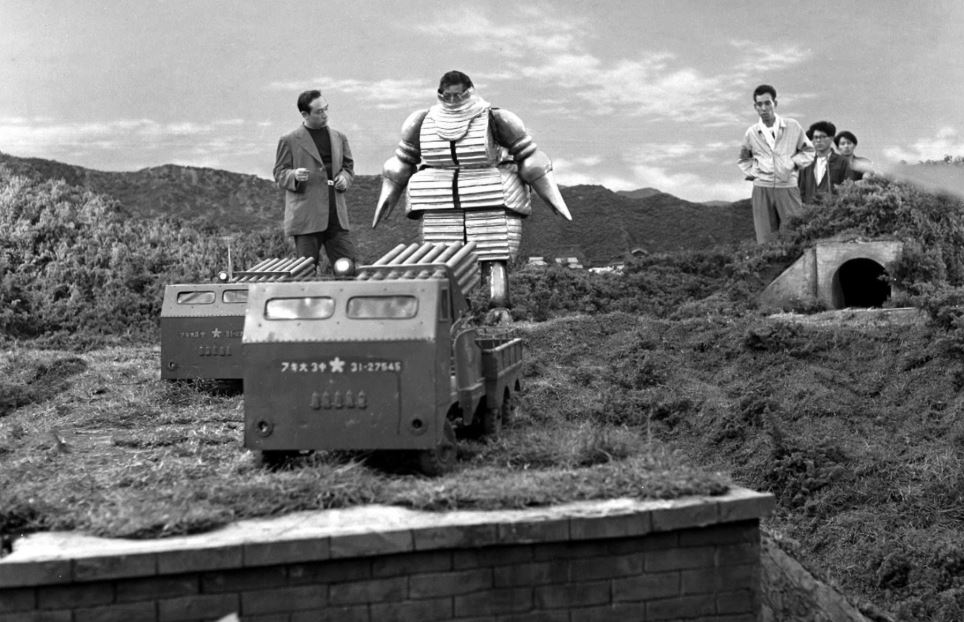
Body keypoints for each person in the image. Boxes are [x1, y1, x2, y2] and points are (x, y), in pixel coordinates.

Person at [373, 70, 571, 308]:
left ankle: (498, 308)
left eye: (459, 95)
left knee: (493, 257)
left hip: (490, 197)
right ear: (440, 94)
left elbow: (528, 155)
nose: (454, 100)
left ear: (470, 91)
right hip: (438, 202)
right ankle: (453, 310)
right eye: (448, 95)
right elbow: (403, 160)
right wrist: (389, 194)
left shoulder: (495, 117)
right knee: (442, 259)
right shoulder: (422, 120)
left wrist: (550, 193)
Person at [273, 89, 356, 273]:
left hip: (336, 216)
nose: (325, 115)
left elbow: (348, 168)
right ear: (304, 114)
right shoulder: (289, 140)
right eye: (319, 112)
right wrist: (293, 175)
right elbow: (279, 173)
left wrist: (344, 178)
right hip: (307, 218)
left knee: (348, 269)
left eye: (326, 109)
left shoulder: (339, 137)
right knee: (305, 272)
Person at [738, 84, 815, 243]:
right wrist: (756, 173)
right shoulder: (751, 132)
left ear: (775, 103)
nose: (764, 108)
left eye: (767, 103)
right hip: (762, 190)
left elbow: (808, 151)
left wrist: (792, 163)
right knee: (765, 239)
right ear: (755, 107)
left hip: (787, 187)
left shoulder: (792, 126)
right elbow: (744, 158)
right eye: (759, 104)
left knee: (795, 234)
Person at [798, 120, 850, 204]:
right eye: (815, 137)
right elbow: (800, 189)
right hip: (809, 211)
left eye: (823, 137)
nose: (818, 140)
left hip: (832, 212)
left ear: (832, 138)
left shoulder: (842, 162)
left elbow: (847, 189)